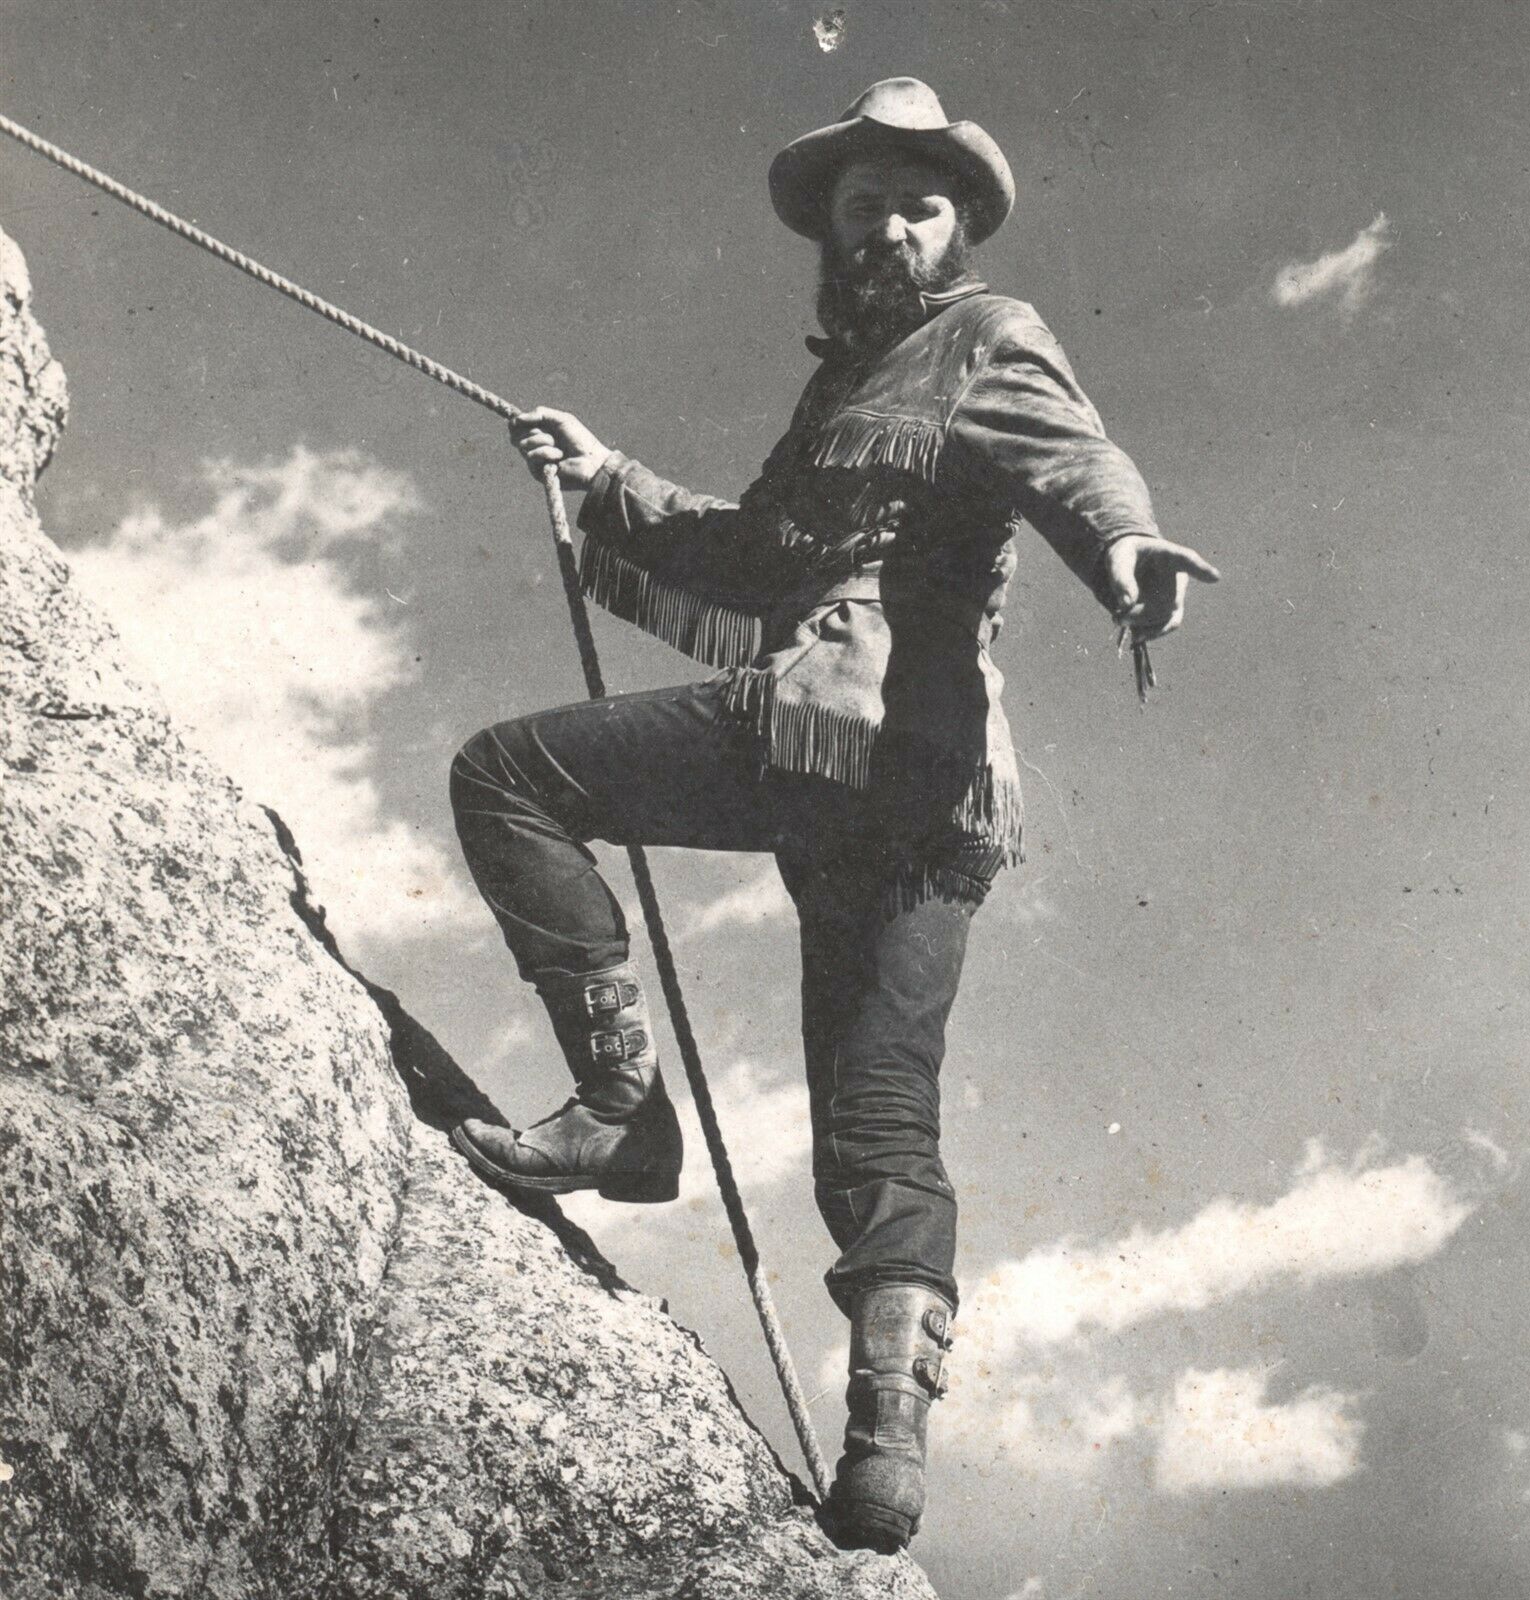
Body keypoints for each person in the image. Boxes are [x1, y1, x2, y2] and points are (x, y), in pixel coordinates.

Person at [449, 77, 1219, 1551]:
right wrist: (602, 475)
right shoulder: (839, 394)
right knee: (877, 1123)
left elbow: (1071, 457)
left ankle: (619, 1111)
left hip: (849, 729)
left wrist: (1124, 547)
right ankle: (885, 1462)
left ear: (960, 226)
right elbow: (747, 555)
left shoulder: (989, 337)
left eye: (914, 204)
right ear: (834, 233)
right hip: (924, 794)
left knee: (510, 775)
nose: (885, 226)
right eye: (862, 205)